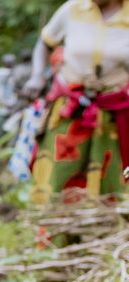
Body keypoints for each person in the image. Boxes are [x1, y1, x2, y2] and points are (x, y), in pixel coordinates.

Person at [24, 0, 129, 205]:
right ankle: (54, 233)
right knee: (57, 176)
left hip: (114, 111)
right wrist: (37, 76)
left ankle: (107, 233)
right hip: (70, 109)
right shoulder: (72, 9)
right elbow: (44, 44)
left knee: (111, 180)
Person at [0, 53, 19, 142]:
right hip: (3, 104)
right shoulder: (3, 73)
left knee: (8, 128)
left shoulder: (5, 72)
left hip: (9, 104)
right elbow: (1, 90)